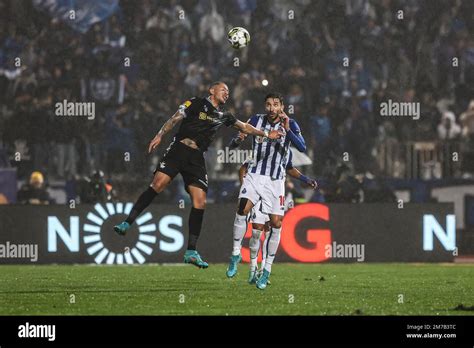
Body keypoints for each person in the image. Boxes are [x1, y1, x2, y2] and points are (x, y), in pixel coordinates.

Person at [113, 82, 282, 268]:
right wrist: (160, 135)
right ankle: (127, 223)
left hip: (196, 158)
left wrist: (267, 134)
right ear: (212, 90)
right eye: (223, 89)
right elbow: (174, 118)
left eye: (228, 91)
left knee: (200, 201)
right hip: (178, 149)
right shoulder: (195, 103)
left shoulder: (224, 115)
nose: (227, 93)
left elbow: (245, 127)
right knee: (158, 185)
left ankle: (191, 251)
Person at [226, 92, 306, 289]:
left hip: (275, 180)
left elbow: (302, 147)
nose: (271, 108)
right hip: (254, 175)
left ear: (281, 106)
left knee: (276, 223)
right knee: (242, 208)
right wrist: (238, 139)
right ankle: (236, 253)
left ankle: (266, 269)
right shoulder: (255, 120)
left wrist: (288, 131)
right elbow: (232, 145)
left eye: (275, 104)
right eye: (268, 104)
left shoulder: (291, 124)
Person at [234, 146, 317, 284]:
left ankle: (263, 270)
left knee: (270, 230)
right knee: (256, 231)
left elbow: (289, 168)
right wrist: (246, 187)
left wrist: (305, 179)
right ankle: (253, 268)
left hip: (275, 193)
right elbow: (243, 168)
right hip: (259, 194)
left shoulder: (286, 152)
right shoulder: (261, 149)